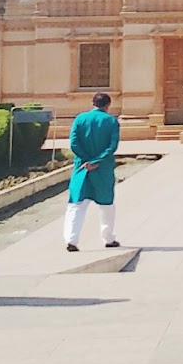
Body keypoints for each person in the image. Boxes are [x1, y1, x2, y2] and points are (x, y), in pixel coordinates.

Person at [65, 92, 120, 251]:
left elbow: (74, 143)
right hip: (102, 169)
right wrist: (96, 161)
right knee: (106, 205)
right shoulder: (111, 121)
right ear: (108, 105)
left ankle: (71, 240)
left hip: (82, 168)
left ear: (92, 103)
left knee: (77, 203)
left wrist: (86, 160)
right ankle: (108, 238)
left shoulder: (80, 119)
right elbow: (112, 146)